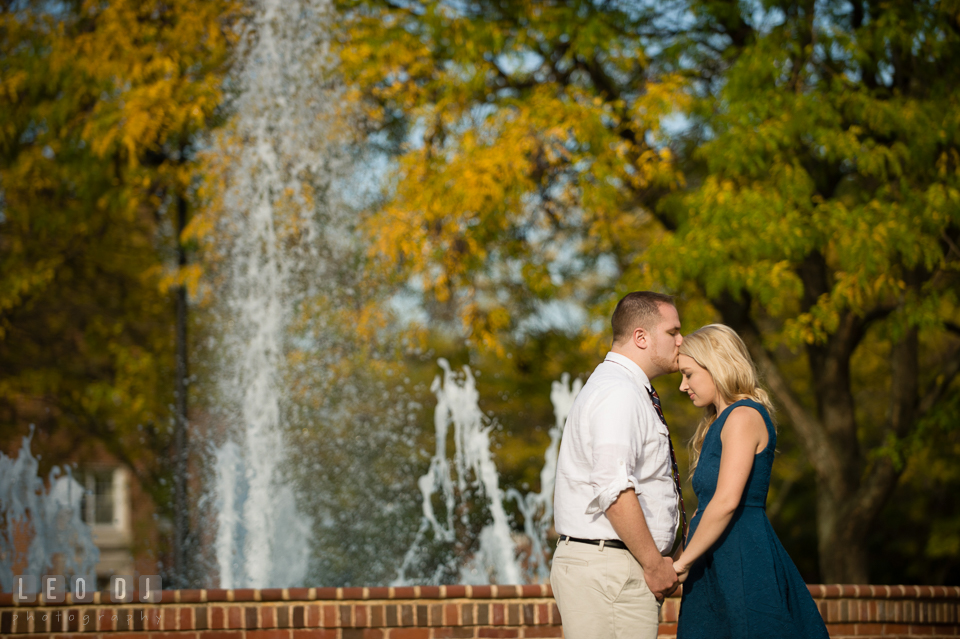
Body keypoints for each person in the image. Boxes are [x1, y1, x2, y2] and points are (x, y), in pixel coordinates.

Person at [672, 324, 829, 639]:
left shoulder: (744, 417)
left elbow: (727, 500)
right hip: (714, 557)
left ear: (715, 366)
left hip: (741, 556)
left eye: (688, 374)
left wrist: (680, 565)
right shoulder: (720, 421)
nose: (682, 385)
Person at [551, 291, 687, 639]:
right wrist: (655, 564)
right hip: (612, 569)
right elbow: (613, 488)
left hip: (614, 567)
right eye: (673, 332)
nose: (681, 341)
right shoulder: (619, 392)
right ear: (641, 337)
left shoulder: (624, 388)